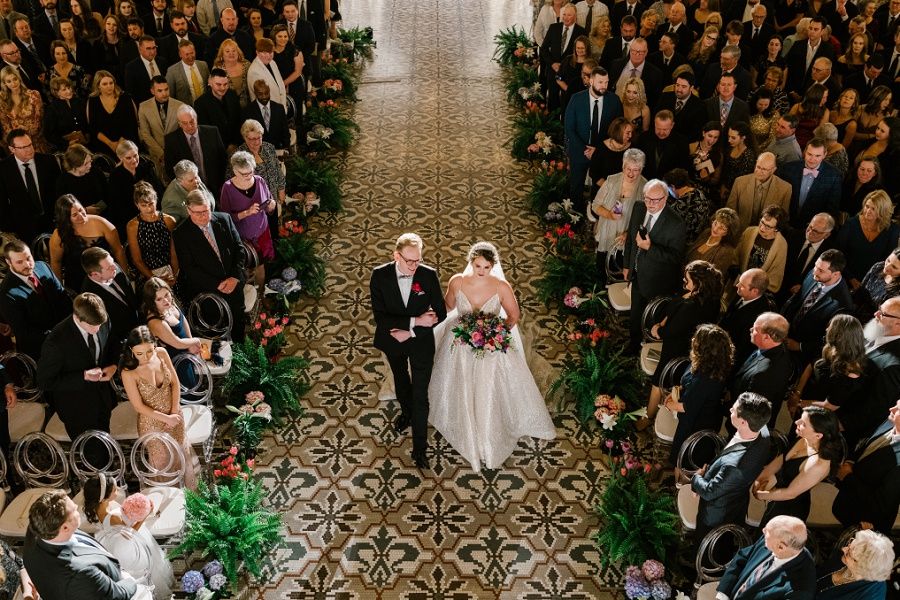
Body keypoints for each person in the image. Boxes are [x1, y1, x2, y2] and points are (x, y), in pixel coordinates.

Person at [427, 242, 555, 472]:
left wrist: (495, 333)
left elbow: (513, 315)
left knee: (490, 388)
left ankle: (489, 428)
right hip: (461, 340)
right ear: (470, 262)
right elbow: (448, 307)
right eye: (477, 265)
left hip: (491, 345)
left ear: (493, 266)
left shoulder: (501, 286)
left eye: (486, 267)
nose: (481, 271)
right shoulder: (457, 281)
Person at [370, 233, 447, 469]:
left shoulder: (428, 275)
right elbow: (381, 318)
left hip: (421, 342)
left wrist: (412, 332)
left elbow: (441, 314)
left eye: (418, 261)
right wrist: (414, 322)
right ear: (396, 256)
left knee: (420, 394)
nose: (414, 267)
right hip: (393, 339)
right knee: (401, 378)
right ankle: (405, 412)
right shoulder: (379, 276)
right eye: (409, 261)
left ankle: (420, 449)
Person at [642, 260, 722, 427]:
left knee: (660, 379)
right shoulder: (712, 298)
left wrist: (658, 329)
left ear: (699, 283)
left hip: (676, 345)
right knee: (678, 375)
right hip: (693, 346)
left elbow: (669, 331)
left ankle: (648, 416)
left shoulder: (690, 307)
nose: (684, 282)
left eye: (687, 280)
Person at [23, 490, 143, 600]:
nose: (77, 507)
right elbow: (117, 595)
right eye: (75, 510)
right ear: (65, 527)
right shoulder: (82, 574)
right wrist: (132, 581)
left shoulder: (35, 530)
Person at [119, 326, 196, 488]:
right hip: (152, 424)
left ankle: (191, 500)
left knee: (182, 454)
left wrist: (174, 413)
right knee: (163, 466)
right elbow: (139, 406)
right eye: (139, 353)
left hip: (175, 415)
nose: (145, 357)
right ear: (131, 350)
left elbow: (175, 383)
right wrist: (166, 418)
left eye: (149, 351)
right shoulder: (128, 372)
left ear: (155, 345)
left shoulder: (161, 353)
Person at [690, 392, 772, 540]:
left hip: (715, 513)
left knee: (704, 543)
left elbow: (709, 492)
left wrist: (697, 479)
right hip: (735, 498)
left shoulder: (735, 467)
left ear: (743, 422)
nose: (730, 411)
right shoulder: (763, 431)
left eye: (734, 410)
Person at [38, 292, 118, 440]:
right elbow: (44, 381)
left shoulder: (101, 320)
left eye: (100, 325)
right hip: (77, 409)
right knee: (91, 453)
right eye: (92, 326)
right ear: (77, 317)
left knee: (106, 442)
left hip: (103, 399)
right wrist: (83, 376)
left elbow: (112, 345)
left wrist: (113, 365)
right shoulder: (56, 342)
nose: (97, 330)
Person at [622, 178, 688, 352]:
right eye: (647, 198)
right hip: (635, 273)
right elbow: (630, 238)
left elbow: (675, 258)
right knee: (635, 314)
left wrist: (650, 247)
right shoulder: (639, 207)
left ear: (665, 198)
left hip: (657, 280)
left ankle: (648, 347)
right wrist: (627, 265)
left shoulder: (676, 224)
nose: (650, 204)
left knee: (651, 317)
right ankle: (633, 344)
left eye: (655, 200)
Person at [173, 190, 247, 343]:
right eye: (198, 213)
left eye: (206, 211)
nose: (203, 216)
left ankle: (241, 354)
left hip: (233, 284)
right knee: (217, 330)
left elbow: (239, 249)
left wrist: (234, 277)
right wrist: (217, 284)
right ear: (188, 210)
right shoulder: (181, 234)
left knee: (239, 322)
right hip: (208, 291)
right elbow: (189, 268)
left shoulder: (224, 219)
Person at [753, 406, 843, 527]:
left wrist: (761, 495)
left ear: (818, 435)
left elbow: (790, 493)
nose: (796, 422)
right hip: (777, 495)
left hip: (789, 510)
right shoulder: (804, 437)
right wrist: (761, 478)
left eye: (804, 424)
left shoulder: (819, 463)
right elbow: (781, 460)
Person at [665, 324, 732, 464]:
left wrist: (669, 404)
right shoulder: (712, 365)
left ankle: (679, 482)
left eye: (697, 339)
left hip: (696, 424)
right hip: (699, 412)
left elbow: (687, 407)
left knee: (682, 458)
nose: (693, 340)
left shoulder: (705, 379)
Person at [833, 398, 900, 534]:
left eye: (898, 409)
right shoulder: (889, 422)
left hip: (866, 526)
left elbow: (882, 506)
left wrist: (847, 477)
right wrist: (851, 461)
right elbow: (866, 442)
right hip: (848, 504)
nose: (891, 409)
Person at [788, 314, 868, 425]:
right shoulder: (831, 346)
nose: (826, 329)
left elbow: (829, 406)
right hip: (805, 399)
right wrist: (797, 393)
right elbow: (811, 365)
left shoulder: (851, 372)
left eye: (830, 327)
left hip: (817, 414)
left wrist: (799, 403)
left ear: (840, 335)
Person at [0, 239, 72, 359]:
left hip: (67, 333)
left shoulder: (42, 267)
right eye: (19, 262)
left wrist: (73, 325)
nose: (27, 265)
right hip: (42, 349)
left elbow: (63, 298)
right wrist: (59, 336)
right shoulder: (6, 294)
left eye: (28, 258)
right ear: (9, 262)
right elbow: (24, 333)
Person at [95, 492, 174, 600]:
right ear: (105, 495)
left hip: (111, 543)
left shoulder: (100, 506)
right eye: (114, 490)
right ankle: (146, 592)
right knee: (148, 565)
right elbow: (129, 535)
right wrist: (144, 516)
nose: (117, 491)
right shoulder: (113, 517)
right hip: (126, 547)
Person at [782, 249, 854, 366]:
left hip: (800, 355)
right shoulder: (815, 274)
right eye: (815, 266)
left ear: (836, 274)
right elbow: (797, 302)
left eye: (821, 270)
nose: (815, 271)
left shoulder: (843, 306)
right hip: (786, 333)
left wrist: (800, 346)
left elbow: (830, 341)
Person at [715, 515, 816, 599]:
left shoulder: (800, 591)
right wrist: (724, 593)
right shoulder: (772, 539)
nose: (763, 531)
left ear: (780, 547)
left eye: (766, 534)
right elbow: (743, 556)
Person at [564, 66, 624, 207]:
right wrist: (585, 149)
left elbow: (618, 128)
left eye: (606, 82)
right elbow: (569, 128)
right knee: (576, 186)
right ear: (591, 81)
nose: (604, 86)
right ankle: (575, 217)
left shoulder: (614, 101)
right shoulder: (576, 99)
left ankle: (595, 217)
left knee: (601, 188)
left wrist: (598, 150)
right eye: (600, 82)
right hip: (579, 151)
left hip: (603, 153)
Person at [218, 151, 276, 285]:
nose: (249, 176)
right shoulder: (227, 188)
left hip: (262, 231)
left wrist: (271, 205)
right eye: (244, 174)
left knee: (262, 265)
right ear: (235, 171)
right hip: (244, 237)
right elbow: (225, 219)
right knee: (247, 269)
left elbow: (269, 201)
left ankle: (261, 294)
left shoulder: (259, 180)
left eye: (251, 172)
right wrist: (246, 213)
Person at [49, 194, 126, 292]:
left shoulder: (101, 223)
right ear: (66, 218)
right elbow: (56, 262)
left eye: (81, 210)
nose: (81, 216)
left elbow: (118, 250)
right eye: (74, 215)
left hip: (107, 276)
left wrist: (124, 276)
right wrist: (60, 289)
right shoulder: (59, 235)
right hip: (77, 282)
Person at [0, 129, 62, 243]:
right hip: (23, 227)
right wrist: (10, 227)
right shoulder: (3, 169)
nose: (29, 149)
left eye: (30, 144)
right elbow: (2, 202)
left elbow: (60, 191)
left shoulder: (49, 161)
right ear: (12, 149)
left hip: (52, 220)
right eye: (24, 147)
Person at [80, 246, 141, 356]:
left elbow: (131, 300)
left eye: (113, 261)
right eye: (108, 267)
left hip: (140, 326)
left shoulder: (113, 267)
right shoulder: (90, 298)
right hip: (126, 343)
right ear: (95, 274)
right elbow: (106, 332)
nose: (115, 267)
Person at [588, 148, 646, 262]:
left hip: (627, 240)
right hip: (606, 234)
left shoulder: (645, 188)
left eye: (636, 170)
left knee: (619, 270)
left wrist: (628, 234)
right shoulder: (611, 181)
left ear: (641, 169)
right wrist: (609, 215)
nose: (631, 173)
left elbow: (645, 218)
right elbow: (595, 205)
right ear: (623, 166)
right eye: (628, 168)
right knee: (601, 266)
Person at [142, 277, 203, 384]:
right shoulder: (155, 322)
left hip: (186, 353)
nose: (166, 300)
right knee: (189, 393)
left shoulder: (170, 304)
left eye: (166, 295)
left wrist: (190, 342)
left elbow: (183, 320)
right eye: (159, 299)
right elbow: (177, 343)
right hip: (175, 363)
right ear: (151, 302)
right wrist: (195, 341)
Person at [837, 191, 899, 290]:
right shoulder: (850, 224)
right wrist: (850, 278)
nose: (868, 211)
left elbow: (887, 260)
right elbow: (839, 254)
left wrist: (872, 282)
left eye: (873, 209)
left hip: (875, 281)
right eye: (867, 206)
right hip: (844, 276)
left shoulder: (892, 230)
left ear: (882, 211)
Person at [164, 104, 227, 197]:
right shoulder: (171, 140)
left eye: (192, 121)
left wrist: (222, 184)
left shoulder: (212, 132)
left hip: (216, 188)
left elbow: (223, 159)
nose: (189, 126)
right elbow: (170, 170)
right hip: (189, 193)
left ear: (196, 119)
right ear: (179, 123)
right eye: (185, 123)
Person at [106, 139, 165, 236]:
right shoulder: (115, 177)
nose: (134, 160)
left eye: (135, 155)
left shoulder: (146, 169)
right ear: (120, 158)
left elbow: (159, 192)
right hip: (130, 219)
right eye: (128, 158)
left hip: (153, 212)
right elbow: (117, 206)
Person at [781, 138, 842, 229]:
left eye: (817, 156)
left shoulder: (834, 176)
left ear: (824, 155)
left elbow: (832, 208)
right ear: (805, 152)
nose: (812, 159)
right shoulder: (788, 168)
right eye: (810, 154)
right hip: (786, 223)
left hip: (812, 227)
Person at [126, 181, 178, 287]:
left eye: (151, 204)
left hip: (170, 271)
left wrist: (175, 275)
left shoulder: (169, 220)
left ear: (156, 200)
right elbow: (137, 259)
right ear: (137, 205)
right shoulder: (132, 226)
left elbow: (174, 252)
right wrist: (154, 279)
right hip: (147, 274)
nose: (149, 208)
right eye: (144, 205)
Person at [816, 529, 894, 599]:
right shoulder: (844, 559)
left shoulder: (871, 596)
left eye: (848, 554)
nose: (844, 549)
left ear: (862, 568)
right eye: (851, 542)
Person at [137, 76, 184, 180]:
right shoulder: (143, 107)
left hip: (177, 153)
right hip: (156, 155)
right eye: (160, 90)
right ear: (152, 91)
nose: (164, 93)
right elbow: (145, 134)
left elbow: (182, 131)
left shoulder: (180, 105)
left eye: (166, 89)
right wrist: (161, 154)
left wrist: (171, 152)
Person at [736, 205, 788, 294]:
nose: (762, 228)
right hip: (737, 283)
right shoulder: (749, 231)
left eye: (768, 226)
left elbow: (775, 277)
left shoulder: (781, 245)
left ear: (777, 229)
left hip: (755, 292)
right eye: (762, 222)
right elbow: (736, 255)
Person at [86, 70, 138, 157]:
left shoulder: (125, 98)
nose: (109, 86)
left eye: (111, 83)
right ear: (98, 86)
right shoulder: (92, 101)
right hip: (103, 143)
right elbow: (93, 128)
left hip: (126, 141)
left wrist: (120, 144)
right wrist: (110, 144)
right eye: (105, 84)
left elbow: (131, 123)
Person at [0, 65, 48, 153]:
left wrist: (28, 139)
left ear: (19, 78)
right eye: (9, 81)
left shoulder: (34, 95)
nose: (13, 83)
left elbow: (40, 120)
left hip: (37, 142)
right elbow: (5, 126)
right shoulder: (2, 101)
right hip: (17, 145)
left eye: (15, 79)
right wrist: (18, 143)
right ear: (4, 83)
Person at [55, 143, 108, 215]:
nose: (90, 165)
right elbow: (65, 210)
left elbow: (108, 192)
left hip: (103, 214)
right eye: (85, 163)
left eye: (90, 161)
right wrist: (85, 210)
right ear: (75, 165)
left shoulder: (95, 171)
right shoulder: (63, 182)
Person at [663, 168, 712, 245]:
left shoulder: (677, 207)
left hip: (685, 247)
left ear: (673, 187)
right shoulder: (700, 192)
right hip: (701, 241)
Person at [161, 159, 215, 225]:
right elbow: (172, 225)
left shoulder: (196, 181)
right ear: (180, 181)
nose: (196, 181)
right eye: (191, 180)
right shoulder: (170, 200)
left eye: (196, 177)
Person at [43, 76, 88, 151]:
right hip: (67, 149)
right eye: (64, 90)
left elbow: (87, 121)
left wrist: (87, 134)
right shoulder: (52, 109)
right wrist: (67, 143)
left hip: (86, 144)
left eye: (69, 87)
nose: (69, 91)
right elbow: (49, 134)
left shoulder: (79, 102)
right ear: (56, 92)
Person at [854, 248, 900, 322]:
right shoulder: (878, 267)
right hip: (854, 310)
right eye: (888, 260)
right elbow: (861, 290)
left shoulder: (898, 290)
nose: (887, 267)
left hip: (873, 322)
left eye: (894, 267)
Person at [687, 121, 722, 193]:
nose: (712, 141)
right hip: (688, 187)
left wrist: (707, 178)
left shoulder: (718, 155)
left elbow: (716, 180)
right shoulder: (692, 147)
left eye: (715, 137)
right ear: (703, 133)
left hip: (705, 191)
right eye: (710, 136)